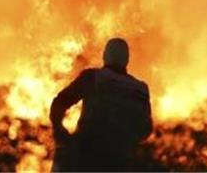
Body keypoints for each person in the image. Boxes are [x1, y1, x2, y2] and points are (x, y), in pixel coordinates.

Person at [49, 38, 153, 172]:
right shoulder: (141, 89)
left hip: (85, 155)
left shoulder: (93, 77)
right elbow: (145, 129)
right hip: (120, 161)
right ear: (127, 59)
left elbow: (60, 103)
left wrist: (60, 131)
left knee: (63, 154)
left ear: (105, 56)